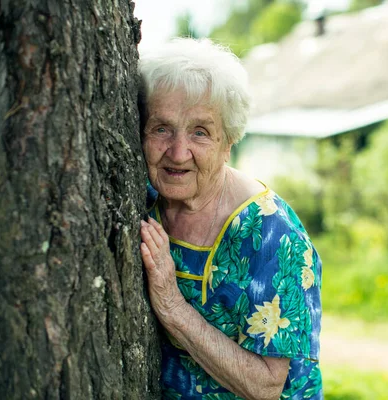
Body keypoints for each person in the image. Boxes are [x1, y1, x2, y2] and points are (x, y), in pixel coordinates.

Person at [138, 38, 322, 400]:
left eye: (200, 132)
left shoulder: (271, 236)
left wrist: (173, 307)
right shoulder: (142, 200)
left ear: (229, 142)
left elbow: (267, 385)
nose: (178, 152)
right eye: (161, 128)